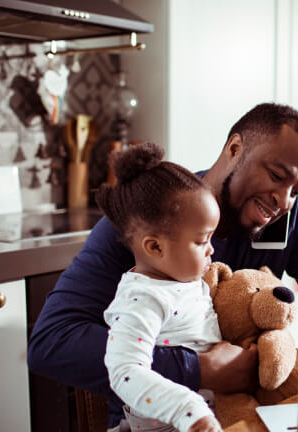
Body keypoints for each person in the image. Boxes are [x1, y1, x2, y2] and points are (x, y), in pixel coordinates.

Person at [28, 103, 298, 431]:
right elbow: (52, 343)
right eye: (276, 175)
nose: (284, 200)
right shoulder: (150, 221)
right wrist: (199, 369)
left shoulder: (295, 219)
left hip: (244, 414)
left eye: (297, 190)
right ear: (235, 149)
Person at [97, 143, 223, 432]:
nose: (211, 249)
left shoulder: (186, 282)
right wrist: (189, 411)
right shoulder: (142, 298)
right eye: (202, 240)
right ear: (154, 247)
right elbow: (125, 372)